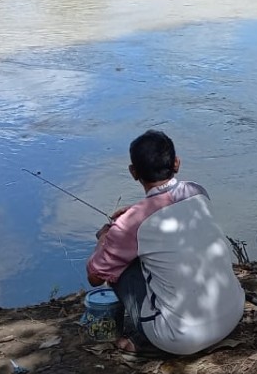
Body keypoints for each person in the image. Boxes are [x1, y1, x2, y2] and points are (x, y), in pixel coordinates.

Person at [86, 130, 246, 356]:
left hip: (181, 338)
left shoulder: (130, 225)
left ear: (133, 172)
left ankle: (147, 341)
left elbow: (95, 277)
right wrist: (131, 218)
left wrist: (104, 238)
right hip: (233, 315)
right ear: (177, 163)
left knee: (120, 266)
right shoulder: (197, 191)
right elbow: (166, 207)